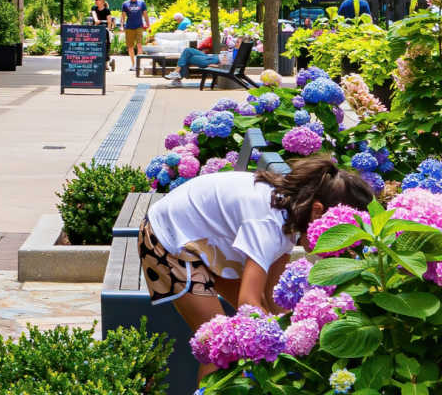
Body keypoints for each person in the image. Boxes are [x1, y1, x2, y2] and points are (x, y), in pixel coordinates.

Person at [138, 155, 374, 384]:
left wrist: (298, 332)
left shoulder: (291, 211)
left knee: (253, 330)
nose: (339, 246)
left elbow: (273, 294)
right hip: (167, 237)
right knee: (221, 346)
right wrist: (278, 340)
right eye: (338, 234)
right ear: (318, 211)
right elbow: (248, 302)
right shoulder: (270, 224)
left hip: (202, 238)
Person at [120, 0, 149, 70]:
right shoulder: (125, 4)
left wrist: (148, 25)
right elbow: (123, 16)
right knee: (130, 47)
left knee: (139, 45)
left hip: (139, 26)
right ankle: (133, 64)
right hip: (129, 27)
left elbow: (145, 14)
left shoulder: (141, 3)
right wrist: (122, 26)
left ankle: (138, 64)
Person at [90, 0, 116, 71]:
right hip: (96, 29)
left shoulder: (107, 10)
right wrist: (97, 20)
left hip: (104, 30)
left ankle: (106, 62)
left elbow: (109, 22)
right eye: (95, 0)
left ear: (102, 1)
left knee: (106, 44)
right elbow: (94, 16)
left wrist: (109, 28)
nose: (96, 1)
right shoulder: (94, 8)